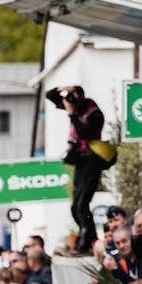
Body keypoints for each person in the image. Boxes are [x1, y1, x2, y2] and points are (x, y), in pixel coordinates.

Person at [47, 86, 110, 254]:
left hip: (92, 160)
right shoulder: (75, 106)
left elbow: (84, 132)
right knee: (75, 206)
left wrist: (72, 113)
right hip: (80, 160)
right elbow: (49, 95)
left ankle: (86, 242)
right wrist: (64, 89)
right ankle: (89, 237)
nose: (70, 101)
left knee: (82, 204)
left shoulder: (93, 113)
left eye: (74, 97)